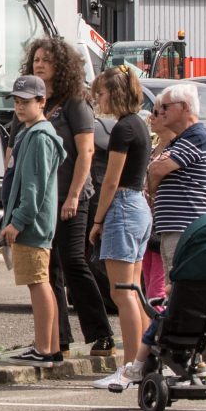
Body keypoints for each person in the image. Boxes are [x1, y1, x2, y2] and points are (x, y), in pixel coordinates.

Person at [26, 37, 111, 361]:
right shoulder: (35, 100)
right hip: (43, 201)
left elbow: (86, 151)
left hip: (72, 195)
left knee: (74, 261)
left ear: (62, 65)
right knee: (48, 269)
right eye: (36, 59)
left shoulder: (75, 102)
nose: (39, 64)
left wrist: (74, 195)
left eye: (47, 59)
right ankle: (57, 340)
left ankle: (101, 334)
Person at [88, 64, 153, 390]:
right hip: (139, 208)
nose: (97, 98)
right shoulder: (139, 124)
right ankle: (142, 360)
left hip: (124, 208)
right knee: (134, 291)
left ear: (114, 93)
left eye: (100, 92)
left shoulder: (123, 129)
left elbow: (111, 180)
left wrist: (97, 220)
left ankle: (129, 367)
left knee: (122, 292)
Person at [0, 76, 64, 366]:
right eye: (16, 101)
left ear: (42, 102)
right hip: (32, 223)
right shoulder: (31, 132)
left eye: (26, 101)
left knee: (38, 283)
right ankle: (50, 346)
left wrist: (17, 221)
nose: (20, 106)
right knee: (40, 283)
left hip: (32, 225)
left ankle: (44, 348)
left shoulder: (39, 136)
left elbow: (34, 188)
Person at [145, 82, 206, 293]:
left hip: (185, 228)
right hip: (173, 227)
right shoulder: (180, 141)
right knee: (171, 287)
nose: (160, 112)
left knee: (178, 287)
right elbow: (155, 169)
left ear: (185, 107)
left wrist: (155, 178)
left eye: (166, 107)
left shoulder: (195, 137)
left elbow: (156, 170)